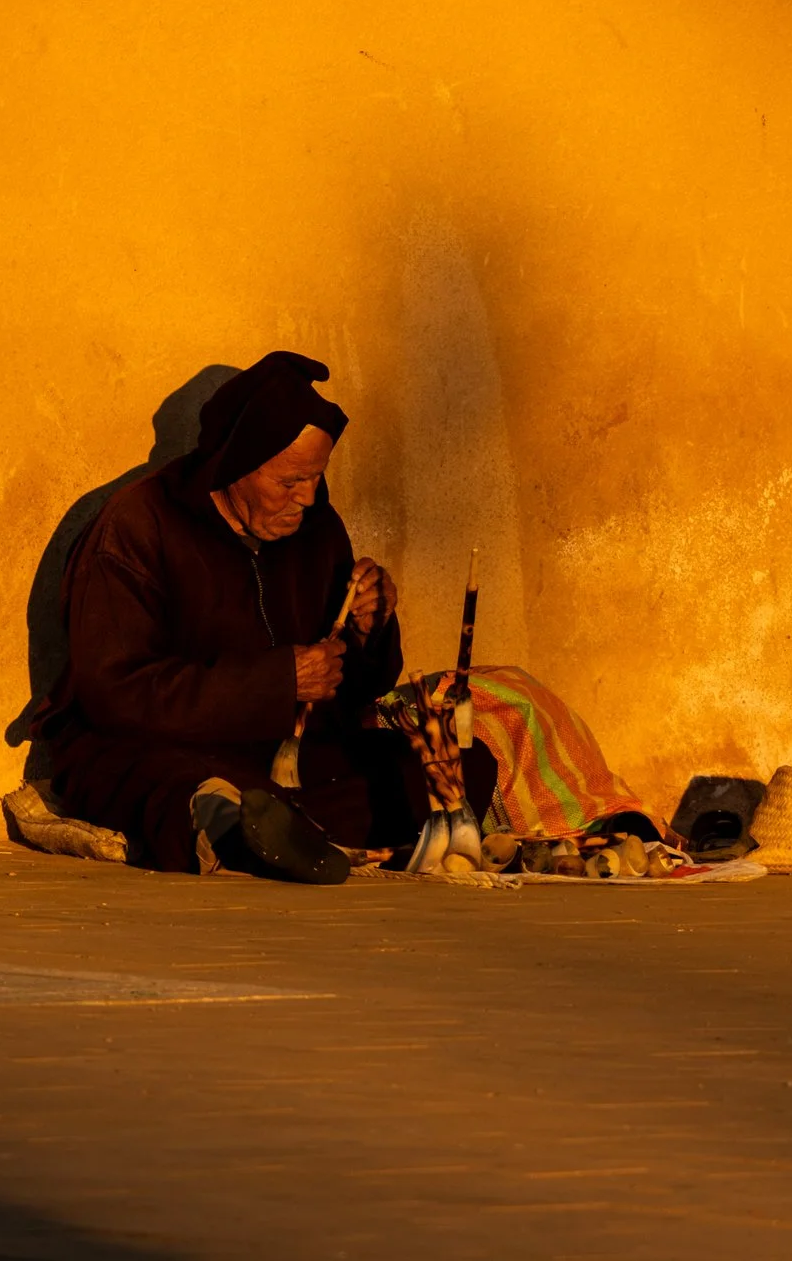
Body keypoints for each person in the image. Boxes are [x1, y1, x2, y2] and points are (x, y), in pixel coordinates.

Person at [30, 351, 490, 883]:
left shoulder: (317, 528)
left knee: (456, 765)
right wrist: (278, 682)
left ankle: (278, 833)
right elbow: (115, 693)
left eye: (316, 477)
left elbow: (354, 693)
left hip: (276, 756)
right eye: (290, 482)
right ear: (236, 464)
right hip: (155, 746)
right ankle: (252, 829)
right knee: (184, 789)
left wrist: (371, 630)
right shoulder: (137, 526)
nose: (307, 498)